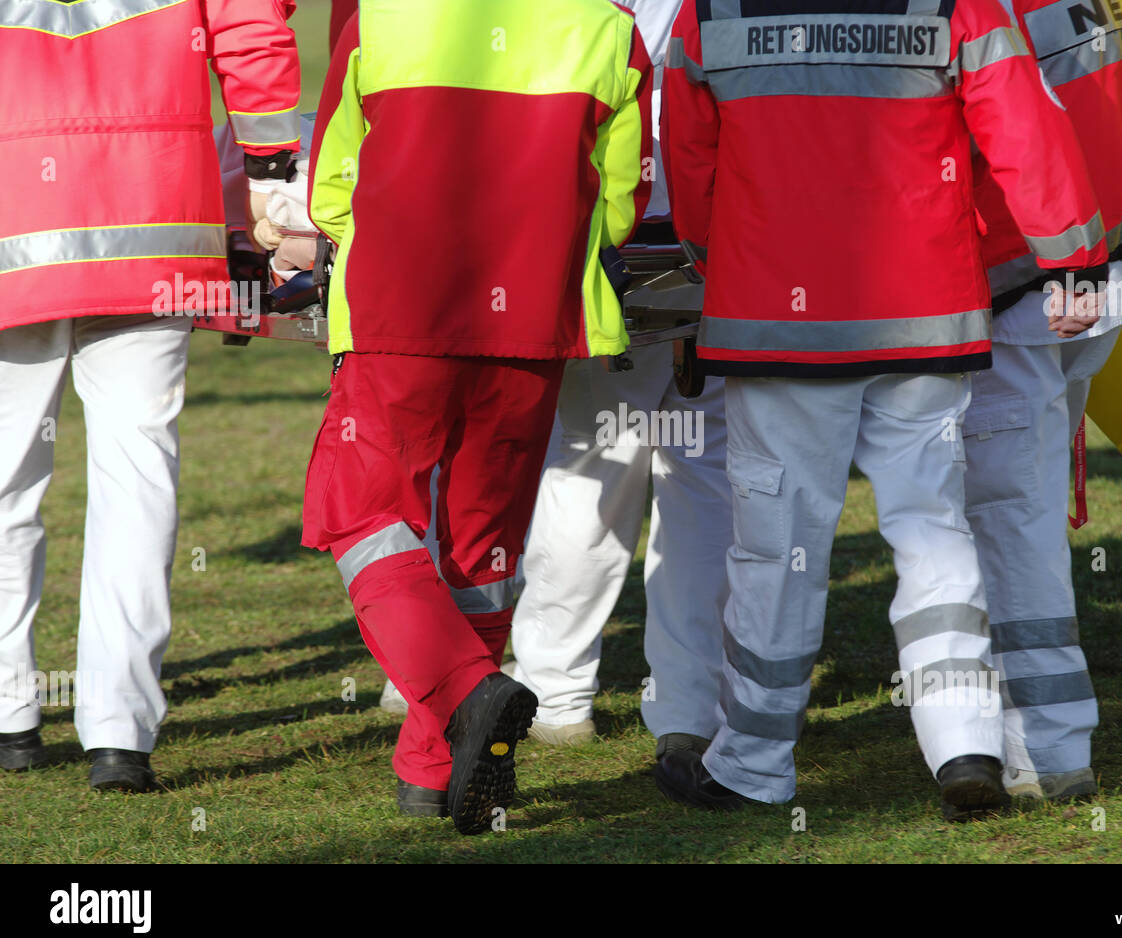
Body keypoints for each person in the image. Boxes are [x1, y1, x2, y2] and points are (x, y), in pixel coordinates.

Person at [660, 0, 1107, 820]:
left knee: (778, 546)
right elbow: (1018, 118)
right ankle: (965, 742)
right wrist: (1072, 254)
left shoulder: (709, 7)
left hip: (775, 321)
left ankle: (754, 763)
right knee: (934, 528)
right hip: (924, 312)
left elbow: (688, 155)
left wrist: (714, 255)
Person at [304, 1, 651, 834]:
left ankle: (466, 693)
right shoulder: (610, 30)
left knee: (354, 511)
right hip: (532, 321)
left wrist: (379, 248)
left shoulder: (380, 19)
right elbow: (620, 201)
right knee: (482, 545)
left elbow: (331, 185)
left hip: (400, 311)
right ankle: (430, 769)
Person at [0, 0, 300, 790]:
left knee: (4, 481)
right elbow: (253, 32)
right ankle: (119, 734)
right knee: (139, 478)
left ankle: (8, 718)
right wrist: (271, 180)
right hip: (154, 221)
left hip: (13, 219)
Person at [505, 0, 732, 766]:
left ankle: (557, 691)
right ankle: (689, 702)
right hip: (710, 241)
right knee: (698, 483)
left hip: (612, 240)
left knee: (590, 476)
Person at [964, 0, 1122, 801]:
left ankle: (1047, 748)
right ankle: (1025, 730)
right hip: (1103, 259)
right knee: (1022, 506)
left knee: (1014, 515)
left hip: (1030, 269)